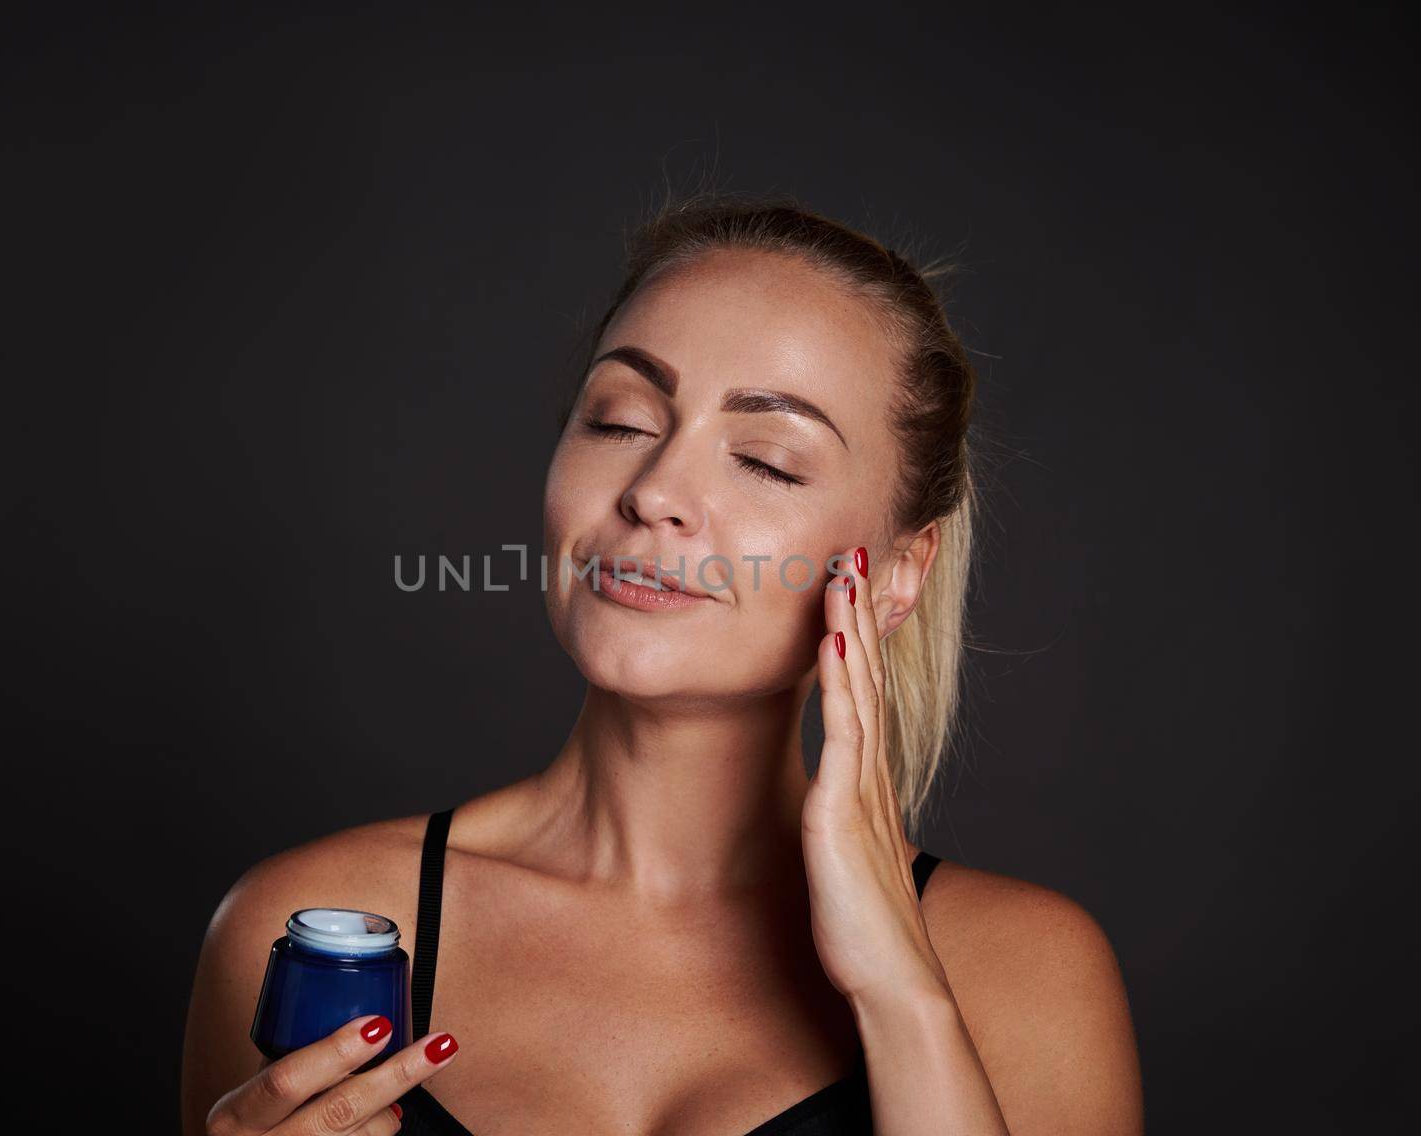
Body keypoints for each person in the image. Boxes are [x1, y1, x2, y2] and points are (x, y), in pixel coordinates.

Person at [181, 194, 1144, 1135]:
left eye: (764, 458)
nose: (654, 494)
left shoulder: (1026, 978)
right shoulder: (308, 933)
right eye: (621, 420)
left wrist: (900, 993)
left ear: (898, 572)